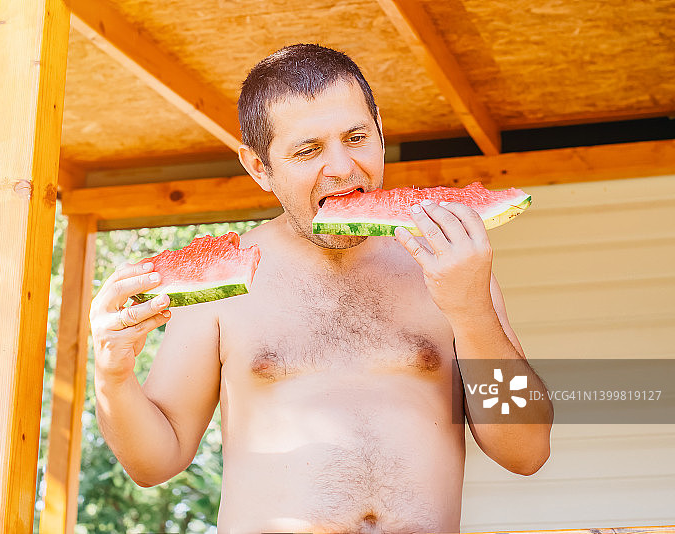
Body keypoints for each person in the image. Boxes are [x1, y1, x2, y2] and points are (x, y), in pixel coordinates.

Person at [89, 44, 553, 533]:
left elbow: (526, 452)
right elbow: (154, 462)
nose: (342, 168)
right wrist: (113, 376)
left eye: (356, 137)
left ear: (380, 130)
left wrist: (470, 309)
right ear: (258, 167)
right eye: (308, 150)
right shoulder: (227, 282)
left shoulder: (450, 258)